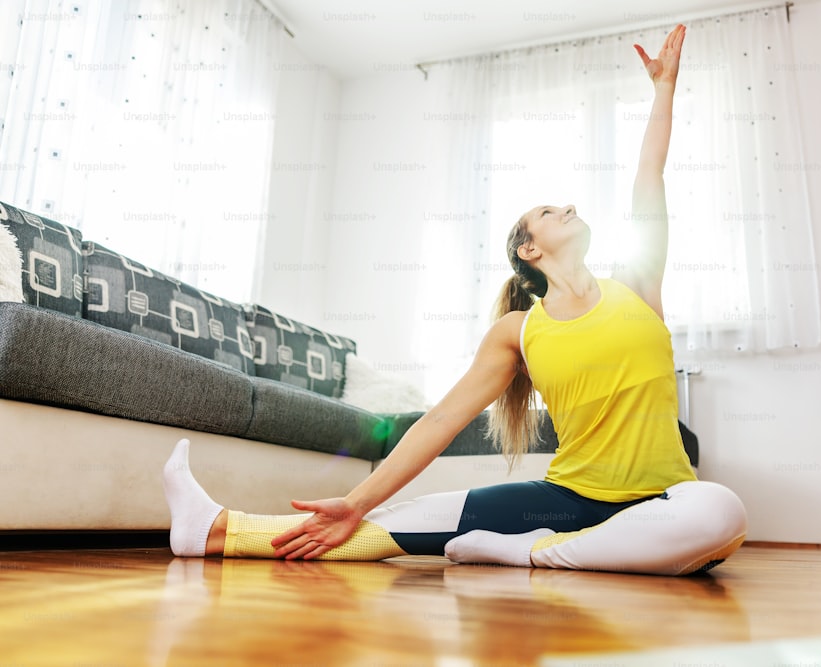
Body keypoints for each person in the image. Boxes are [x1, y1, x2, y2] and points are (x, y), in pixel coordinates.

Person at [163, 24, 747, 575]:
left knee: (720, 509)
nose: (567, 206)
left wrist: (664, 89)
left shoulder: (637, 286)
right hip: (569, 501)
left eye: (565, 205)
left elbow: (650, 175)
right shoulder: (519, 331)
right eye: (548, 211)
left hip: (663, 505)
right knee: (406, 519)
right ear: (529, 249)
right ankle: (216, 529)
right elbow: (441, 419)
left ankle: (533, 556)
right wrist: (355, 499)